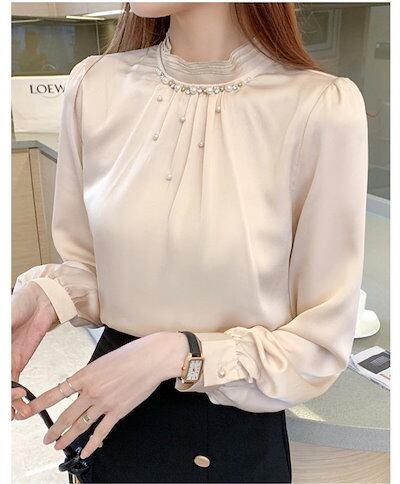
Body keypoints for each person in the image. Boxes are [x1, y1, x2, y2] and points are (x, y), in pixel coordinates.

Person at [11, 3, 369, 483]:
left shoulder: (321, 107)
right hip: (108, 415)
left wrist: (178, 353)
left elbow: (318, 347)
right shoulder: (94, 84)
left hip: (225, 434)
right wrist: (44, 297)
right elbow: (95, 268)